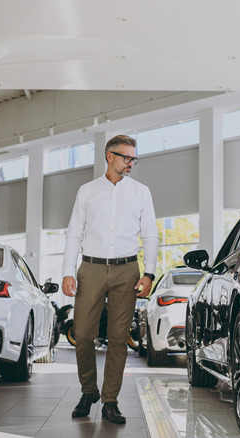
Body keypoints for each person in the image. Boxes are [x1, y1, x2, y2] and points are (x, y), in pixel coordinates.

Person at [61, 134, 158, 424]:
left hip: (127, 271)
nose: (130, 163)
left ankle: (110, 400)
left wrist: (149, 272)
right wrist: (67, 270)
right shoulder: (87, 191)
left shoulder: (142, 192)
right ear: (110, 156)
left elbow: (150, 234)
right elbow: (74, 233)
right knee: (83, 336)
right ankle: (89, 391)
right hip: (90, 268)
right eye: (126, 157)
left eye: (133, 158)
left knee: (118, 339)